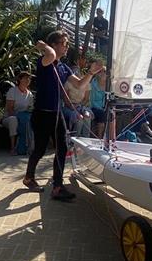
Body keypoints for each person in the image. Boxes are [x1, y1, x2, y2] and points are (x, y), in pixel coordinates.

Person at [24, 31, 104, 200]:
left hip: (56, 113)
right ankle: (29, 177)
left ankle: (58, 187)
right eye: (64, 43)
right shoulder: (44, 61)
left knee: (62, 147)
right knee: (39, 149)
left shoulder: (63, 67)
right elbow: (51, 54)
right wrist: (43, 45)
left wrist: (91, 73)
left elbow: (80, 85)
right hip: (42, 114)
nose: (67, 47)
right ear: (53, 45)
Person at [3, 71, 34, 156]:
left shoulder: (30, 94)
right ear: (20, 79)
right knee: (14, 120)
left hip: (24, 117)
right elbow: (10, 109)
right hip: (9, 116)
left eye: (29, 78)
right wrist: (20, 117)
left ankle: (29, 146)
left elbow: (29, 109)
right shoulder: (12, 91)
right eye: (25, 78)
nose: (27, 80)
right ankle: (13, 148)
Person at [89, 68, 107, 139]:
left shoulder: (108, 85)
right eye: (100, 71)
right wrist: (102, 108)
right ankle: (100, 138)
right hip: (94, 107)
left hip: (105, 107)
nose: (103, 73)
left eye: (105, 72)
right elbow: (91, 101)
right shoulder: (93, 85)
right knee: (102, 114)